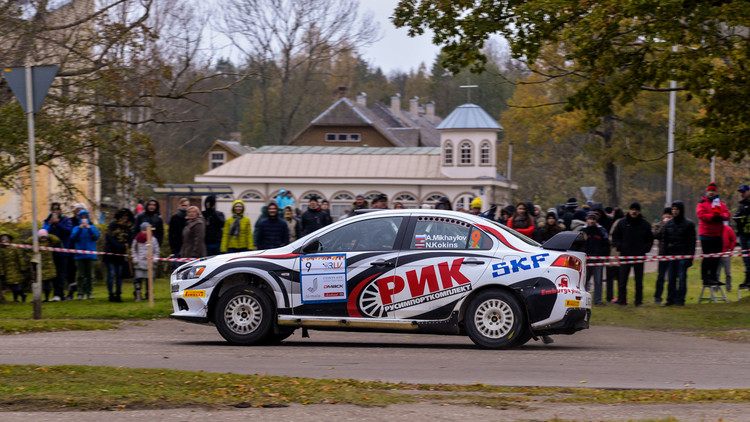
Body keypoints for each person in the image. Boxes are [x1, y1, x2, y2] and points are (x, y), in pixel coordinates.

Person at [611, 202, 653, 306]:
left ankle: (638, 301)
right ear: (629, 210)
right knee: (622, 280)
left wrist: (646, 249)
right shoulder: (622, 223)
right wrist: (619, 246)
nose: (634, 211)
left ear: (639, 211)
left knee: (639, 281)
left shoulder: (645, 224)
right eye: (632, 209)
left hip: (639, 256)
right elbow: (615, 236)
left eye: (636, 210)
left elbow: (650, 239)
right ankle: (622, 300)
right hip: (625, 255)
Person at [662, 201, 696, 306]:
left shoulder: (689, 224)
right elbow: (665, 240)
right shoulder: (668, 224)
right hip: (671, 255)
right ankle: (670, 299)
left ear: (680, 210)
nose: (674, 211)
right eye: (673, 209)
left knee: (682, 279)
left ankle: (680, 299)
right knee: (671, 279)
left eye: (676, 209)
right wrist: (665, 254)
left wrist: (690, 257)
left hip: (683, 255)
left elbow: (692, 242)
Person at [696, 182, 730, 286]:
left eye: (713, 191)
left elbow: (727, 214)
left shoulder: (720, 204)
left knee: (716, 257)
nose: (711, 192)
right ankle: (705, 278)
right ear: (707, 191)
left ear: (716, 192)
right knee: (708, 257)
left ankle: (714, 277)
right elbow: (701, 215)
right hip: (706, 235)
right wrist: (713, 217)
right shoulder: (702, 203)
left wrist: (722, 217)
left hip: (718, 235)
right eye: (710, 190)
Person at [576, 212, 609, 305]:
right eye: (590, 219)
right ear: (587, 220)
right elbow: (577, 244)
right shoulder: (582, 231)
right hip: (585, 259)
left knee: (598, 280)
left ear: (596, 220)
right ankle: (584, 300)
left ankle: (597, 300)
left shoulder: (601, 230)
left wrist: (601, 253)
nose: (592, 221)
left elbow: (606, 244)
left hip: (598, 259)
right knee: (585, 281)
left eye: (594, 219)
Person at [42, 202, 72, 301]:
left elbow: (67, 232)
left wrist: (58, 223)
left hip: (62, 251)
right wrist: (50, 224)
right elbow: (43, 233)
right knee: (52, 274)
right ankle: (56, 294)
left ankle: (59, 294)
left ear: (60, 210)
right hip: (50, 252)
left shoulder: (65, 220)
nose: (55, 211)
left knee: (61, 273)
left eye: (57, 209)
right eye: (54, 210)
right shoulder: (47, 220)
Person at [103, 208, 133, 302]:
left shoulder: (128, 227)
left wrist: (126, 246)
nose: (125, 218)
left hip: (121, 255)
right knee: (111, 274)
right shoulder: (112, 226)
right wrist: (122, 246)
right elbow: (109, 239)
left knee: (119, 275)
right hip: (110, 254)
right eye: (123, 216)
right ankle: (111, 294)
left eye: (126, 216)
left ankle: (118, 293)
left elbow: (130, 239)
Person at [70, 209, 100, 300]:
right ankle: (80, 293)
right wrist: (80, 228)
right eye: (82, 217)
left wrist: (89, 229)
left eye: (85, 217)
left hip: (90, 255)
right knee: (80, 275)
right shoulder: (76, 228)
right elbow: (73, 237)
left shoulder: (93, 227)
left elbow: (96, 237)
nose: (84, 219)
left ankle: (89, 292)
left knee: (90, 275)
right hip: (79, 255)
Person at [131, 222, 159, 302]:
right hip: (139, 263)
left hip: (150, 263)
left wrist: (155, 259)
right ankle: (138, 294)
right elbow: (134, 250)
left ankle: (149, 294)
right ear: (141, 230)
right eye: (143, 230)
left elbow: (156, 251)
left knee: (149, 280)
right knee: (137, 280)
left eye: (147, 230)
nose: (145, 232)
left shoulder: (153, 240)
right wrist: (135, 259)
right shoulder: (136, 240)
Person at [652, 207, 673, 304]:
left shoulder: (675, 224)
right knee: (661, 277)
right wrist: (664, 225)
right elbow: (656, 235)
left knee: (671, 277)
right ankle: (658, 297)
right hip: (662, 254)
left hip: (673, 254)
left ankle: (671, 297)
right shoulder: (659, 225)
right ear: (663, 215)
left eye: (670, 214)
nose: (668, 216)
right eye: (666, 214)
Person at [0, 233, 28, 302]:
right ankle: (19, 296)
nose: (4, 241)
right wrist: (2, 272)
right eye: (2, 239)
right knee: (12, 285)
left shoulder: (15, 248)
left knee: (15, 284)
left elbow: (20, 258)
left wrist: (22, 267)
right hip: (7, 270)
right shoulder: (1, 250)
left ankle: (21, 295)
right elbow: (1, 262)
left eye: (5, 239)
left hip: (15, 269)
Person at [735, 184, 750, 289]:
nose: (742, 194)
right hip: (743, 236)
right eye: (740, 192)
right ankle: (747, 279)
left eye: (743, 192)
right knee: (746, 259)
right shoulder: (741, 205)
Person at [168, 198, 190, 262]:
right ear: (179, 206)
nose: (184, 207)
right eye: (183, 205)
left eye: (186, 205)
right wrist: (173, 247)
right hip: (177, 248)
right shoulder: (174, 218)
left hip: (188, 248)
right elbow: (170, 233)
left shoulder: (190, 218)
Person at [719, 222, 737, 291]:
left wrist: (731, 249)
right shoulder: (715, 229)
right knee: (717, 273)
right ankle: (716, 289)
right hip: (717, 254)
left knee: (728, 273)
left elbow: (733, 239)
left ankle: (728, 287)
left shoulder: (728, 229)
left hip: (726, 253)